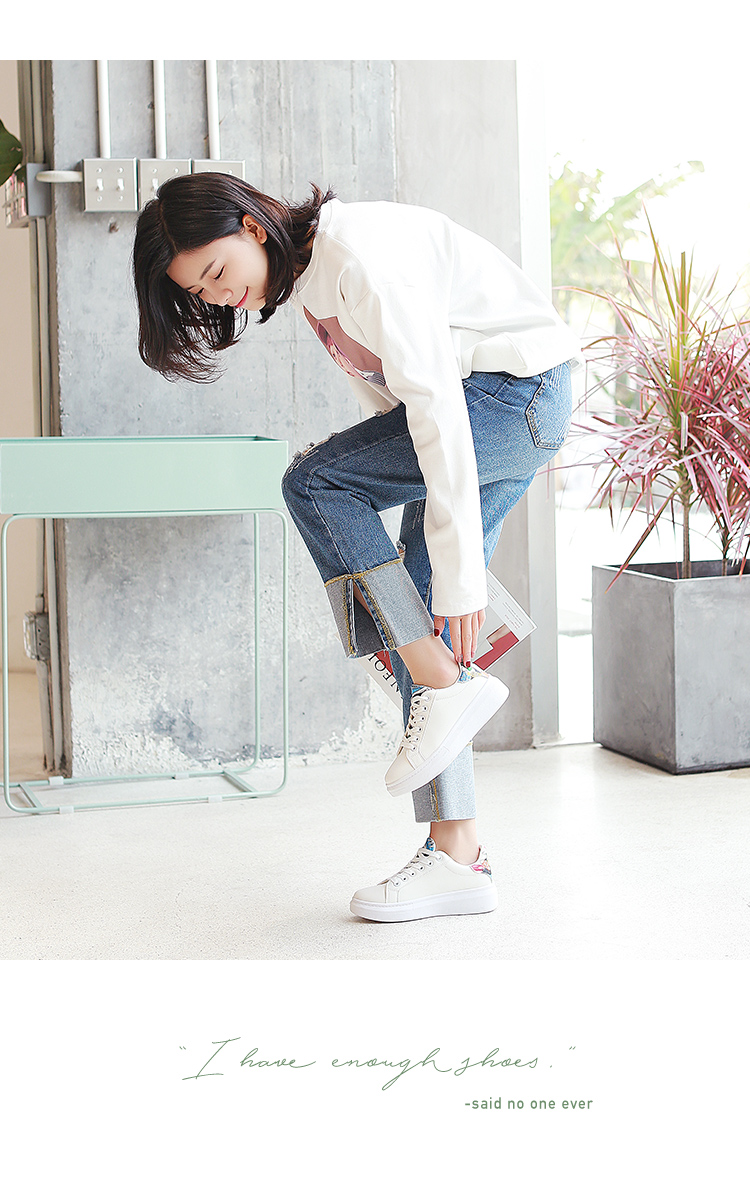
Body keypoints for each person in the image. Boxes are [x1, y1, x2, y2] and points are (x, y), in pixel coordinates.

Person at [132, 172, 582, 923]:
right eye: (201, 292)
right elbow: (397, 406)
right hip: (508, 403)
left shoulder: (358, 256)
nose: (220, 296)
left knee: (314, 485)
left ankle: (437, 676)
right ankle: (458, 856)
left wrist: (460, 581)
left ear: (250, 225)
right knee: (417, 614)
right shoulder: (315, 280)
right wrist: (418, 586)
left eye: (215, 271)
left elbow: (436, 406)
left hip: (510, 397)